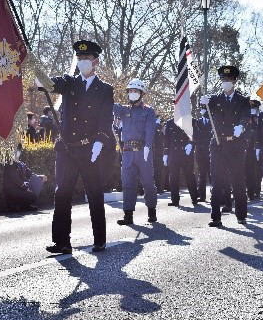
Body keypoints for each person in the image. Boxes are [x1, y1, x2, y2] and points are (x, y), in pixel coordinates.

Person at [47, 39, 114, 255]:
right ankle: (62, 242)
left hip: (89, 149)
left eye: (86, 58)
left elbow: (106, 119)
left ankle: (99, 239)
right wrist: (39, 75)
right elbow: (51, 84)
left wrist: (100, 141)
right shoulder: (70, 82)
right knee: (62, 193)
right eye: (80, 58)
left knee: (94, 193)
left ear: (95, 61)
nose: (83, 62)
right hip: (67, 148)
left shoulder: (104, 89)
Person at [204, 65, 249, 226]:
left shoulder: (243, 100)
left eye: (229, 79)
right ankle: (215, 217)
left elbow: (245, 116)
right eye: (223, 79)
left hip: (236, 144)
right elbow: (205, 110)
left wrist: (241, 126)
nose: (225, 82)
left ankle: (241, 215)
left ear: (235, 80)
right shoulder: (215, 99)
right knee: (217, 182)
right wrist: (203, 103)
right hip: (218, 144)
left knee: (238, 181)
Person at [113, 78, 158, 226]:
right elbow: (108, 106)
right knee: (127, 184)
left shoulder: (148, 111)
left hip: (143, 151)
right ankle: (128, 215)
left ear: (141, 93)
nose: (132, 93)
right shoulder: (123, 109)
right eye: (130, 91)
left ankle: (151, 210)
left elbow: (151, 129)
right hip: (127, 152)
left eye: (135, 91)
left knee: (148, 183)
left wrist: (148, 146)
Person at [163, 115, 199, 209]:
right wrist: (165, 154)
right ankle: (175, 200)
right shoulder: (170, 122)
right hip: (173, 154)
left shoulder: (191, 121)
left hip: (186, 154)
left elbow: (196, 135)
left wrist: (191, 144)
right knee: (173, 178)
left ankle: (194, 198)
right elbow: (166, 140)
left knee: (189, 176)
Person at [192, 102, 212, 202]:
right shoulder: (197, 122)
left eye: (204, 108)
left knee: (212, 174)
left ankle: (216, 194)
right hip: (200, 151)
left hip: (211, 151)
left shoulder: (213, 122)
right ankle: (202, 195)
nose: (203, 110)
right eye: (201, 108)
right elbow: (194, 135)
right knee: (202, 174)